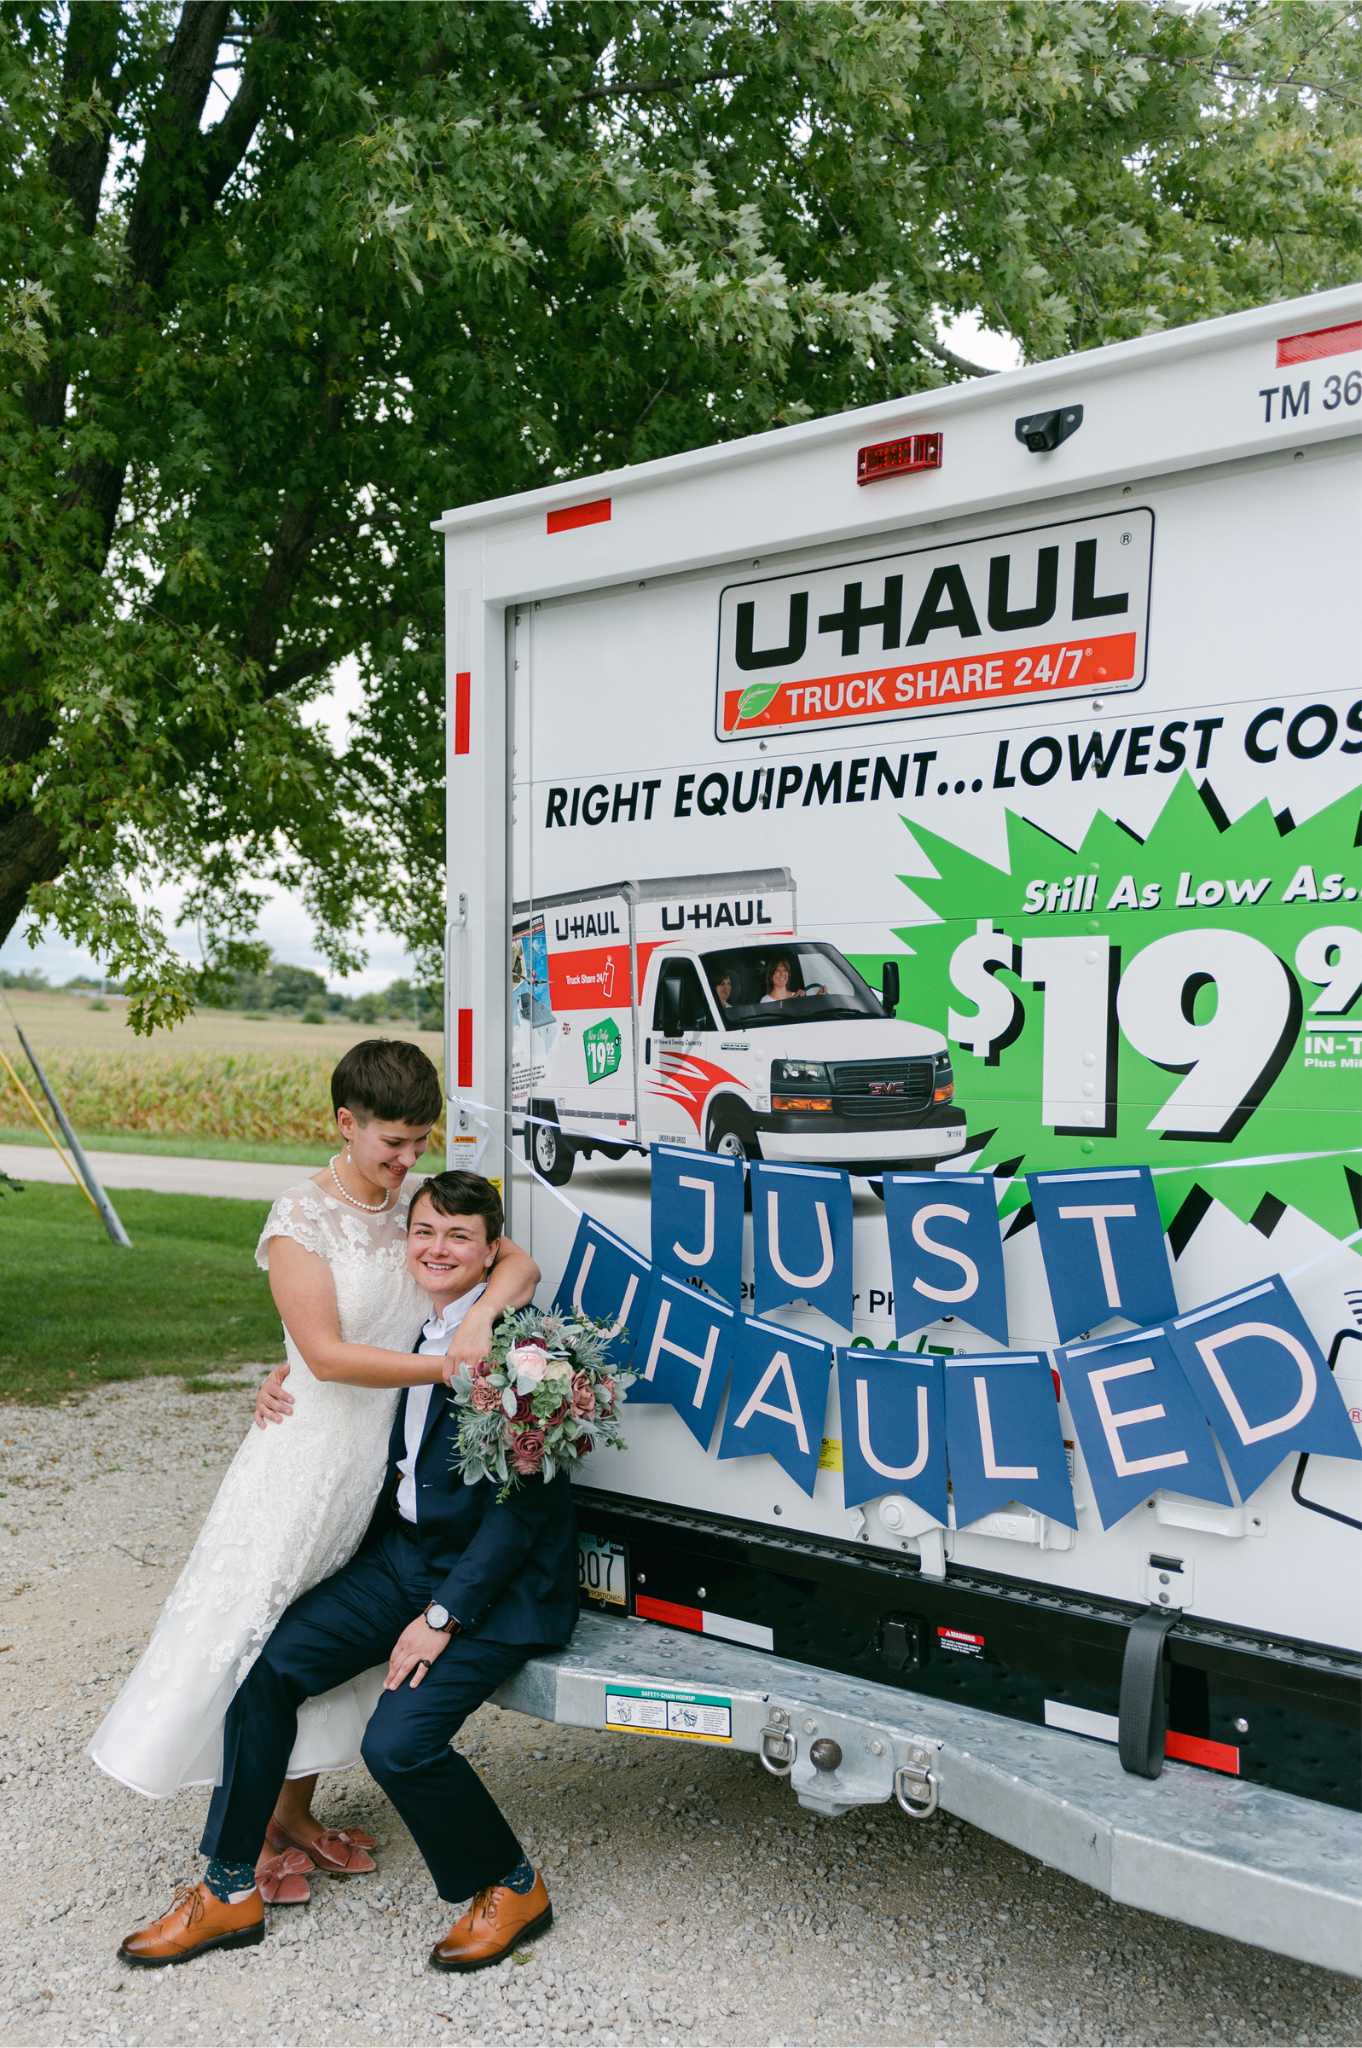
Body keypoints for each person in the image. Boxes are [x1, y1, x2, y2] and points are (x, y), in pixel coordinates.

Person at [90, 1039, 541, 1907]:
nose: (411, 1160)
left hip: (377, 1468)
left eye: (422, 1141)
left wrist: (484, 1314)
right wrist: (447, 1370)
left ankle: (291, 1814)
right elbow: (329, 1357)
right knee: (251, 1641)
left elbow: (512, 1262)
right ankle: (242, 1837)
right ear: (347, 1123)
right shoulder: (299, 1218)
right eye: (395, 1144)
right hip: (304, 1464)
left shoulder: (418, 1202)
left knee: (324, 1652)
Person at [117, 1170, 576, 1973]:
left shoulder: (527, 1357)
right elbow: (337, 1360)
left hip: (494, 1588)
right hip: (402, 1559)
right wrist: (284, 1372)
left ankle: (512, 1884)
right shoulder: (416, 1325)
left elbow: (521, 1516)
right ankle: (227, 1888)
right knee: (266, 1670)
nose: (436, 1248)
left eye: (458, 1236)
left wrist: (442, 1620)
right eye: (425, 1231)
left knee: (397, 1744)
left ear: (489, 1249)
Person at [760, 956, 824, 1002]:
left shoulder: (796, 996)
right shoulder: (766, 1001)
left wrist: (817, 999)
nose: (782, 974)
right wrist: (793, 1001)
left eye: (785, 970)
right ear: (771, 976)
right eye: (777, 970)